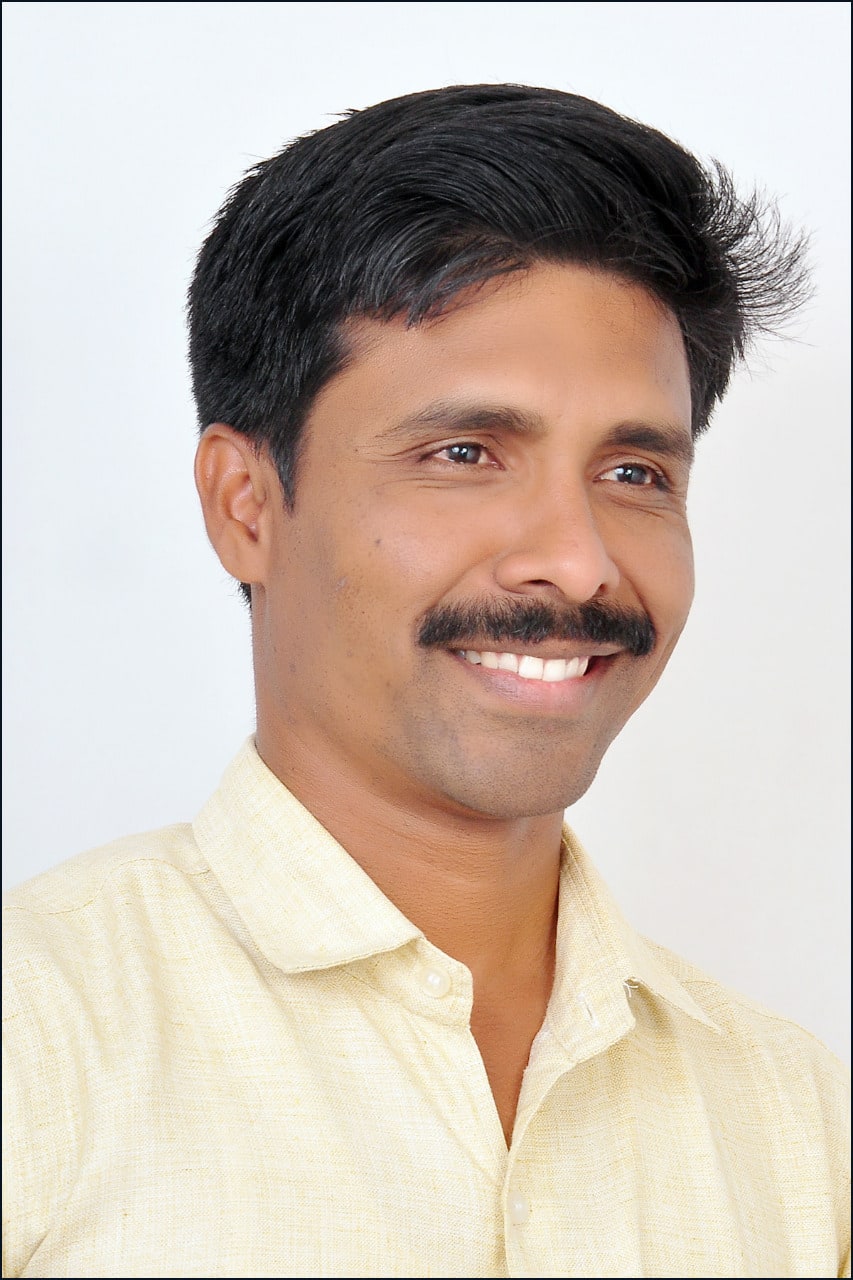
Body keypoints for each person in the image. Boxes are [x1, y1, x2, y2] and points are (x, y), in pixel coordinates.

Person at [2, 83, 848, 1279]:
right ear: (246, 504)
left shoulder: (792, 1123)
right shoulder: (37, 1038)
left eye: (634, 472)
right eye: (464, 452)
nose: (577, 559)